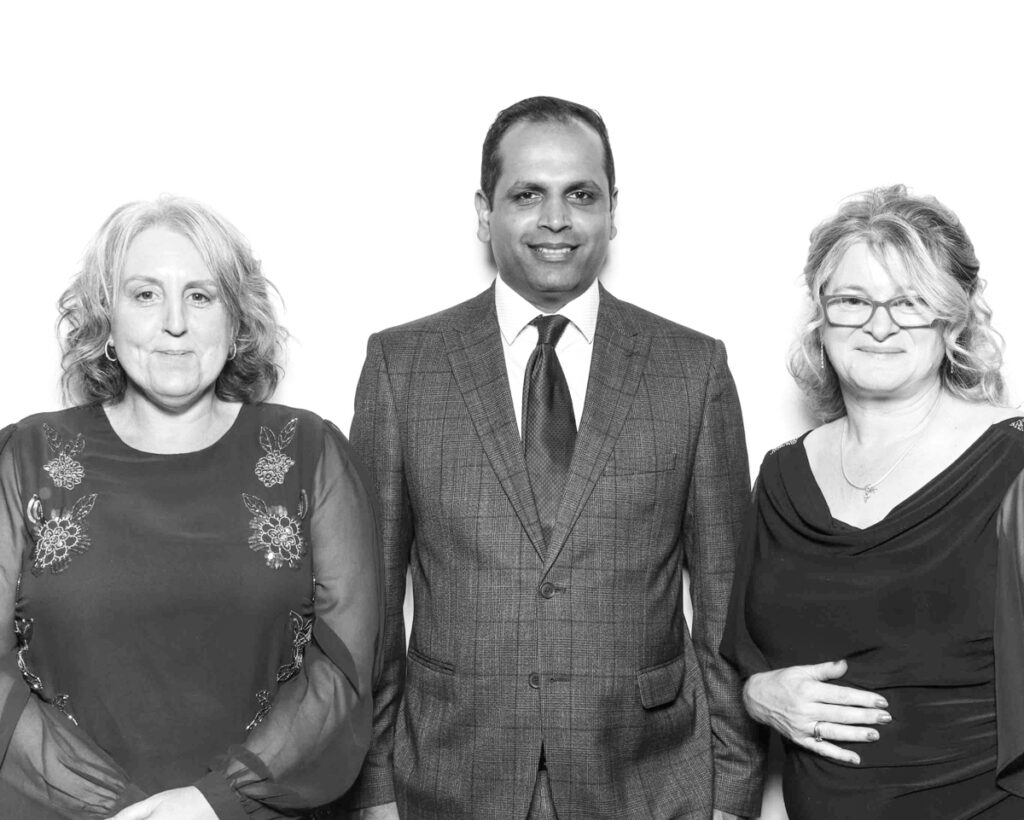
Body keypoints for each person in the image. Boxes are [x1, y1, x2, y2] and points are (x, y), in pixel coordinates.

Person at [344, 96, 765, 819]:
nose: (556, 219)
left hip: (650, 777)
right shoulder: (401, 365)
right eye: (527, 195)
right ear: (484, 212)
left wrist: (731, 793)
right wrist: (374, 789)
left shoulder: (692, 369)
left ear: (612, 209)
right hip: (447, 775)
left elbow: (726, 602)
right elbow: (373, 604)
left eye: (581, 195)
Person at [0, 196, 382, 819]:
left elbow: (342, 675)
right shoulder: (26, 459)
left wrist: (209, 805)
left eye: (201, 296)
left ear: (236, 321)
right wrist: (115, 808)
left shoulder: (310, 453)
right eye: (145, 294)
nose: (174, 321)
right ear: (107, 316)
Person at [722, 185, 1024, 819]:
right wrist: (758, 695)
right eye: (853, 300)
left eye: (910, 302)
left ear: (955, 317)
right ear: (822, 316)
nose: (879, 325)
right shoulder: (782, 476)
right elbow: (739, 660)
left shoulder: (1015, 467)